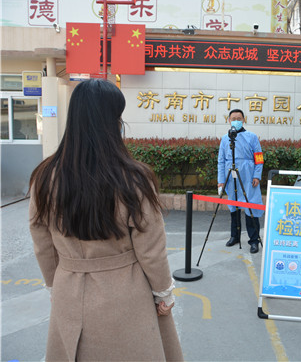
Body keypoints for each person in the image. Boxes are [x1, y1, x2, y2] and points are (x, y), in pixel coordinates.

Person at [28, 79, 184, 361]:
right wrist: (163, 293)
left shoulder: (45, 176)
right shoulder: (133, 177)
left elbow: (42, 242)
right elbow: (150, 249)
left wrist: (56, 283)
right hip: (125, 294)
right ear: (112, 122)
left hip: (69, 287)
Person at [217, 108, 264, 254]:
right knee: (234, 207)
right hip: (231, 176)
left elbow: (259, 158)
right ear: (229, 120)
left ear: (243, 120)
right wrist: (221, 181)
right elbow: (221, 161)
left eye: (239, 118)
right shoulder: (225, 139)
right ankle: (235, 236)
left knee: (251, 207)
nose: (236, 121)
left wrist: (257, 175)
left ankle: (254, 240)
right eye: (233, 118)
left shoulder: (252, 137)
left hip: (248, 175)